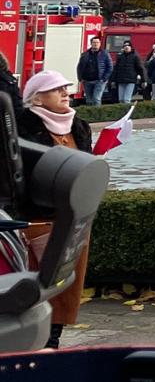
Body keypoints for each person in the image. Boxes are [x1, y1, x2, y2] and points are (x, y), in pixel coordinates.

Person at [16, 70, 92, 348]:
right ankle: (38, 341)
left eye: (65, 88)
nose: (65, 93)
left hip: (74, 221)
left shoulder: (79, 126)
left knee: (65, 289)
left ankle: (53, 341)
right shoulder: (23, 127)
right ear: (37, 98)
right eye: (56, 89)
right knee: (41, 287)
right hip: (40, 221)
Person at [76, 36, 111, 106]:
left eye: (97, 42)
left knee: (96, 99)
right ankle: (90, 115)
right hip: (87, 81)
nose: (96, 44)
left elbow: (110, 67)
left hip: (99, 81)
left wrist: (104, 78)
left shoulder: (105, 54)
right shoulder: (85, 54)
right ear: (91, 44)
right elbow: (80, 67)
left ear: (100, 44)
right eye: (94, 42)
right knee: (89, 100)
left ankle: (97, 116)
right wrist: (80, 78)